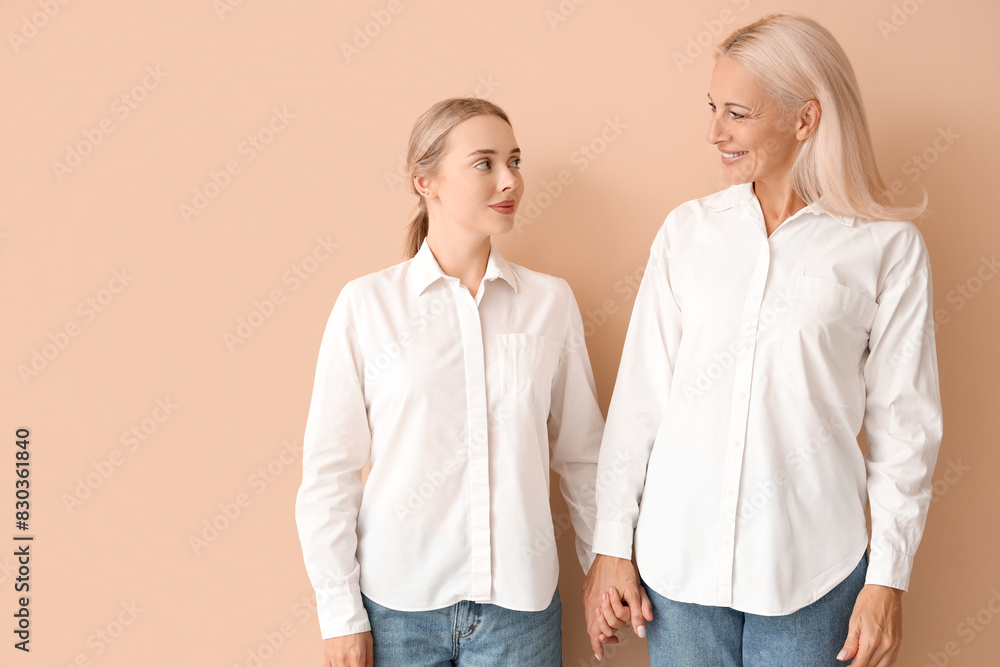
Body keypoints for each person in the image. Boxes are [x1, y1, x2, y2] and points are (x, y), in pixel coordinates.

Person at [582, 14, 943, 667]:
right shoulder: (687, 233)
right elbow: (640, 404)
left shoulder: (887, 249)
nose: (714, 131)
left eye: (738, 113)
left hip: (814, 577)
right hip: (678, 574)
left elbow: (905, 429)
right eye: (713, 108)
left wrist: (888, 576)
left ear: (804, 120)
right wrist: (611, 545)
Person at [295, 97, 605, 667]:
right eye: (484, 163)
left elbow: (583, 455)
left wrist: (602, 565)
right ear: (425, 181)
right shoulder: (366, 306)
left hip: (521, 613)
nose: (510, 179)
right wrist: (340, 614)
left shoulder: (549, 302)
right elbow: (329, 472)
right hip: (395, 612)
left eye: (514, 161)